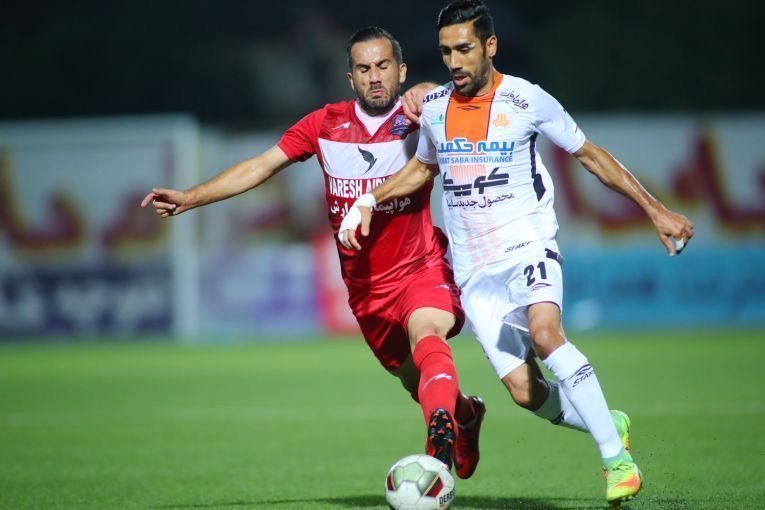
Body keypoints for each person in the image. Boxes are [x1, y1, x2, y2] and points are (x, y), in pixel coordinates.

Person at [338, 1, 695, 505]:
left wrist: (655, 210)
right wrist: (368, 200)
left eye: (464, 49)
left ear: (490, 46)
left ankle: (617, 461)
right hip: (474, 272)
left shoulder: (527, 99)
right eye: (445, 52)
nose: (454, 62)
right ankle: (607, 422)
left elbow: (590, 155)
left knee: (547, 335)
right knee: (526, 393)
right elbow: (421, 168)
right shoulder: (436, 108)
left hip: (527, 246)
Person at [141, 26, 485, 479]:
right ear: (350, 78)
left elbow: (451, 100)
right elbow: (261, 166)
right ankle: (465, 415)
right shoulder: (324, 125)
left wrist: (426, 90)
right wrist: (191, 197)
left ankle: (437, 440)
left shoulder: (420, 118)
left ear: (401, 71)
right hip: (367, 290)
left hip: (420, 266)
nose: (375, 76)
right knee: (415, 379)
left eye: (383, 66)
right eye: (364, 68)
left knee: (428, 336)